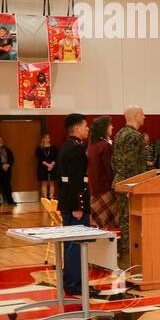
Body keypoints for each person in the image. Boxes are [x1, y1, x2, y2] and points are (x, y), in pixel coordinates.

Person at [56, 113, 91, 296]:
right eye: (85, 126)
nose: (88, 128)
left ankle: (72, 282)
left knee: (71, 244)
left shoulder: (66, 146)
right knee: (75, 246)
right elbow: (76, 181)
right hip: (75, 205)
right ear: (77, 128)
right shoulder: (76, 149)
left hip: (67, 202)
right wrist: (78, 206)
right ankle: (75, 284)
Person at [112, 107, 147, 266]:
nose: (144, 117)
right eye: (142, 114)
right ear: (135, 116)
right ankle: (131, 257)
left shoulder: (119, 134)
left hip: (121, 182)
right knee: (130, 221)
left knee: (125, 219)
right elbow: (131, 164)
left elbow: (114, 161)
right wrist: (133, 186)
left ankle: (127, 255)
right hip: (131, 185)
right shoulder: (134, 136)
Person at [87, 116, 118, 232]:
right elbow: (109, 170)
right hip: (106, 190)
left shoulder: (92, 146)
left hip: (94, 189)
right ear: (104, 128)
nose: (112, 127)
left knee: (99, 226)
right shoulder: (106, 146)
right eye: (110, 125)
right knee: (110, 226)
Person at [36, 134, 58, 201]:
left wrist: (51, 165)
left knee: (52, 182)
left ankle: (51, 197)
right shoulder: (39, 148)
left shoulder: (54, 148)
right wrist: (48, 165)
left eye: (48, 137)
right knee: (44, 182)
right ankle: (45, 198)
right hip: (43, 167)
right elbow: (40, 158)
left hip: (52, 166)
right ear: (43, 139)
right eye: (45, 137)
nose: (47, 139)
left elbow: (56, 157)